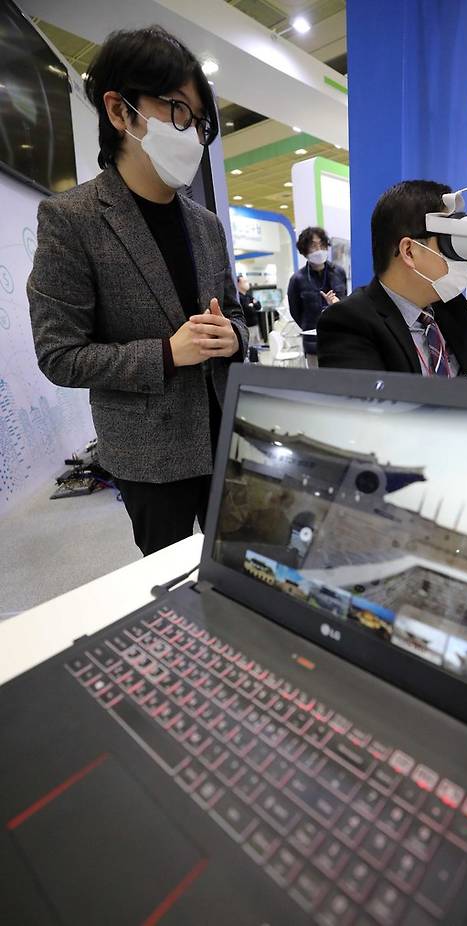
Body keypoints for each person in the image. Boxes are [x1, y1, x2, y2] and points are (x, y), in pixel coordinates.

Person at [28, 26, 247, 556]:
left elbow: (236, 312)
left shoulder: (206, 225)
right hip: (149, 455)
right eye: (177, 110)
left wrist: (235, 337)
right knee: (166, 581)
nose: (192, 134)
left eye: (200, 122)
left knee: (238, 566)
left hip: (226, 434)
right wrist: (166, 354)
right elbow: (59, 355)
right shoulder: (71, 219)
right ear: (119, 111)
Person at [317, 180, 467, 383]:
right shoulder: (349, 322)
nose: (461, 258)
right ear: (409, 251)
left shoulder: (449, 308)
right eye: (448, 242)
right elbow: (372, 406)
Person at [287, 226, 348, 334]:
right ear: (305, 250)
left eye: (322, 245)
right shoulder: (297, 279)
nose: (319, 250)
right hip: (312, 337)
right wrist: (309, 327)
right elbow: (295, 312)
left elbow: (345, 300)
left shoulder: (339, 272)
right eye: (313, 246)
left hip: (338, 333)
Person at [237, 273, 261, 344]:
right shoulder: (238, 298)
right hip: (247, 327)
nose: (247, 284)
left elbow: (258, 306)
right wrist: (253, 305)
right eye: (244, 282)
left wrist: (252, 305)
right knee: (249, 346)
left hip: (255, 325)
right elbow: (248, 310)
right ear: (238, 284)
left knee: (257, 345)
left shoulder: (248, 296)